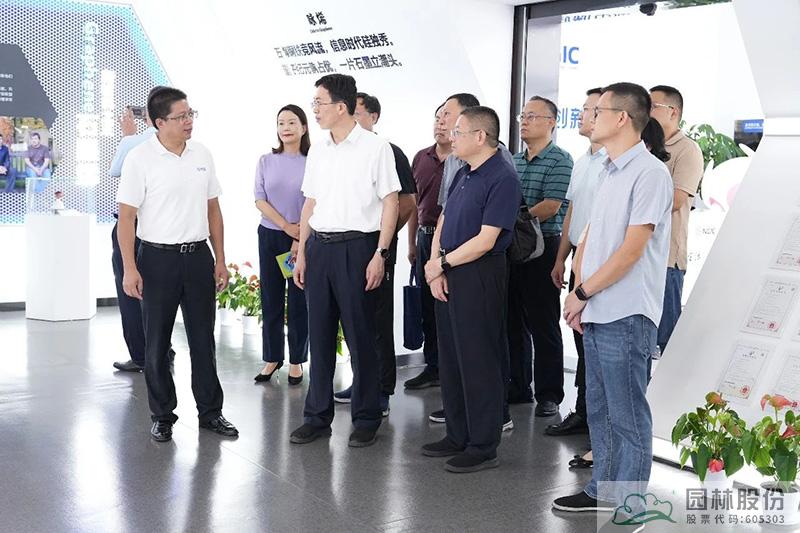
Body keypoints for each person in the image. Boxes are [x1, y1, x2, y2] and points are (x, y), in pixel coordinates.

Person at [553, 82, 672, 513]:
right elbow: (590, 238)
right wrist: (578, 293)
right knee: (601, 409)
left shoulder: (650, 173)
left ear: (622, 118)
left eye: (598, 110)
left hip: (627, 311)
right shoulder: (607, 168)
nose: (590, 116)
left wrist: (585, 291)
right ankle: (603, 489)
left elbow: (631, 250)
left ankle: (630, 501)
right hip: (597, 306)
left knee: (627, 413)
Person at [117, 86, 238, 442]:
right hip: (157, 259)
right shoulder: (140, 158)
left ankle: (211, 412)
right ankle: (162, 414)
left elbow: (213, 208)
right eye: (181, 116)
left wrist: (220, 258)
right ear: (159, 122)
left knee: (203, 340)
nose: (188, 121)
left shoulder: (202, 154)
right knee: (156, 342)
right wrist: (130, 267)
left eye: (190, 114)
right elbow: (127, 218)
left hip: (198, 257)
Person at [290, 74, 400, 448]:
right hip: (320, 248)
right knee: (319, 335)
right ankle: (317, 417)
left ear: (341, 107)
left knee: (361, 336)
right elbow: (310, 203)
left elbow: (391, 202)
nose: (314, 110)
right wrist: (302, 251)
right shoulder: (319, 150)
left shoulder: (376, 147)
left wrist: (380, 254)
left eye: (318, 103)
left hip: (359, 248)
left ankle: (367, 416)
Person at [421, 106, 520, 473]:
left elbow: (486, 239)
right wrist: (436, 264)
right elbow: (444, 218)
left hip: (479, 272)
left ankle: (482, 444)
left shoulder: (502, 177)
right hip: (449, 269)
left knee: (479, 358)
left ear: (480, 137)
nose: (452, 137)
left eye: (458, 132)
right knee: (451, 356)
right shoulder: (464, 171)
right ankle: (457, 433)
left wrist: (442, 263)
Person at [333, 92, 417, 415]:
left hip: (377, 249)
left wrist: (382, 240)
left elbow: (406, 203)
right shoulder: (340, 152)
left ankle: (381, 389)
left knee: (378, 318)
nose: (350, 119)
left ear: (374, 117)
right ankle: (362, 382)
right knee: (354, 318)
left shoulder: (388, 151)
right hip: (346, 248)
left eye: (357, 113)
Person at [509, 96, 573, 416]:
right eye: (523, 116)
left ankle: (549, 393)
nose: (525, 121)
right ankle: (518, 385)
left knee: (543, 322)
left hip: (544, 246)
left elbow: (551, 205)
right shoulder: (513, 160)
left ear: (551, 122)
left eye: (532, 116)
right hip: (512, 244)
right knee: (512, 320)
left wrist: (513, 218)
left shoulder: (561, 160)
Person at [547, 88, 604, 437]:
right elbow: (571, 213)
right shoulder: (582, 162)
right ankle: (583, 411)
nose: (581, 115)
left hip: (600, 267)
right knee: (581, 340)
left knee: (596, 344)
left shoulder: (614, 165)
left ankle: (596, 419)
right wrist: (561, 258)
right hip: (577, 263)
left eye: (589, 109)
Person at [253, 104, 310, 385]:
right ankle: (272, 358)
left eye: (291, 122)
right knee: (271, 298)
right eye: (281, 123)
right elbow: (259, 199)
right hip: (270, 234)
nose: (285, 128)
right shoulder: (266, 160)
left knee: (298, 301)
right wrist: (285, 226)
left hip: (301, 239)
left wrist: (298, 236)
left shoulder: (313, 161)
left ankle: (296, 361)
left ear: (304, 127)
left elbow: (315, 200)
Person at [649, 85, 704, 355]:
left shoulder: (687, 150)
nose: (646, 111)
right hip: (640, 255)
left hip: (667, 257)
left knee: (667, 341)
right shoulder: (645, 146)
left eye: (652, 106)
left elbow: (677, 200)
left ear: (673, 112)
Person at [109, 100, 163, 372]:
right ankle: (163, 349)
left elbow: (115, 170)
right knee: (159, 293)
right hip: (161, 232)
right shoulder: (180, 144)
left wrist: (128, 137)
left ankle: (141, 355)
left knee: (131, 291)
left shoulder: (134, 142)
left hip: (133, 226)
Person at [403, 103, 449, 389]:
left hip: (451, 243)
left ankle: (452, 370)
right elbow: (414, 203)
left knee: (448, 306)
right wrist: (411, 243)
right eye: (437, 118)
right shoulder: (421, 157)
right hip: (424, 238)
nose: (439, 123)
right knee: (427, 306)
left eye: (446, 118)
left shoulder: (463, 158)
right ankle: (433, 367)